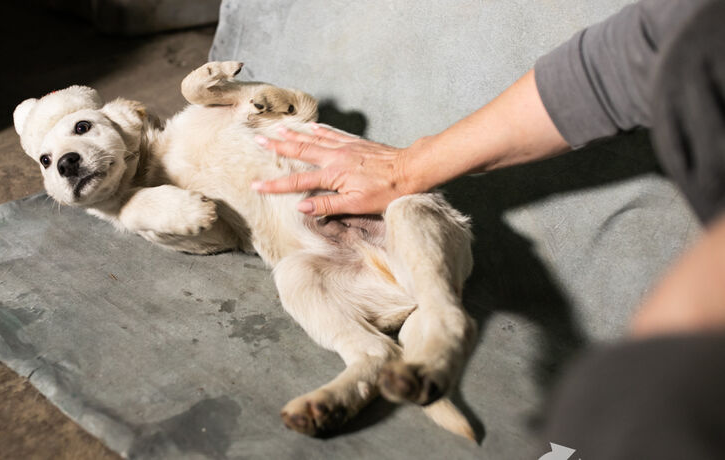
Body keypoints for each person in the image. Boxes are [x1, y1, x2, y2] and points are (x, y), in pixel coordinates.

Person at [252, 0, 725, 457]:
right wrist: (406, 167)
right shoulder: (687, 26)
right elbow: (613, 63)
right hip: (338, 263)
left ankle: (444, 336)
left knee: (609, 414)